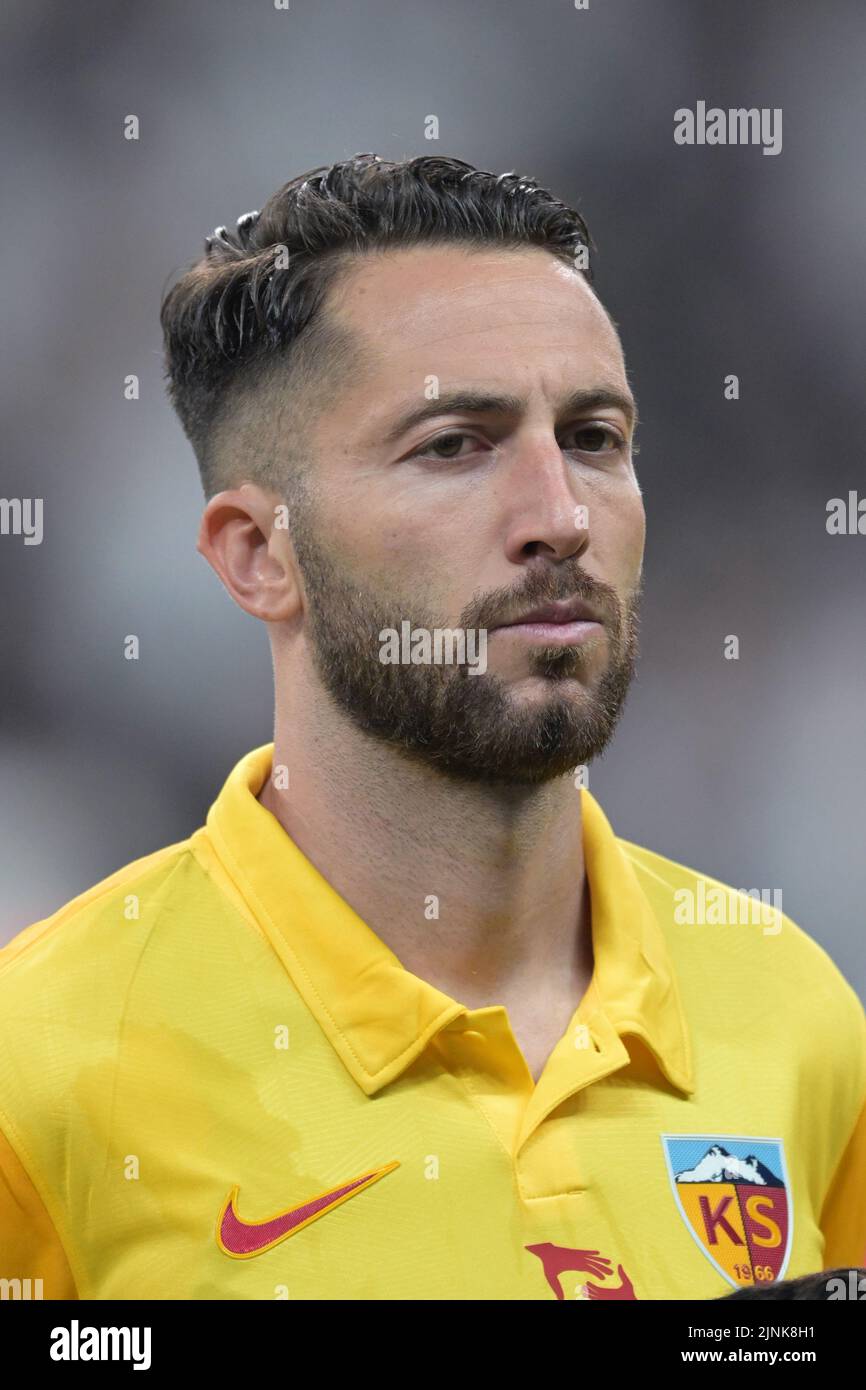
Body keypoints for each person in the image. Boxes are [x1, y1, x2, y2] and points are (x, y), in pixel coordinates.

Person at [1, 155, 863, 1301]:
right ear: (260, 556)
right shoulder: (42, 1065)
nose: (559, 517)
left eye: (595, 438)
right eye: (455, 444)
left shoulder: (793, 1012)